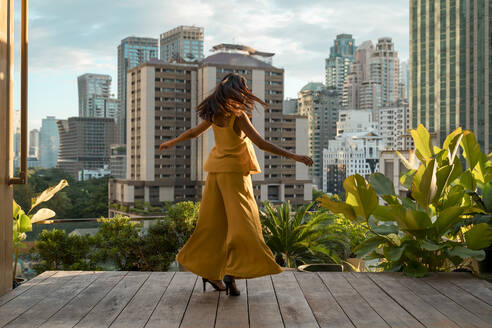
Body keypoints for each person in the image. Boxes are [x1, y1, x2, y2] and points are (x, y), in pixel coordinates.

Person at [159, 73, 313, 296]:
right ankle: (232, 272)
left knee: (213, 224)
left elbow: (193, 133)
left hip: (215, 173)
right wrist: (295, 157)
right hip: (233, 174)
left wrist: (171, 142)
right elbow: (261, 143)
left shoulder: (215, 114)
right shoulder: (237, 116)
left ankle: (211, 272)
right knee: (244, 224)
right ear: (239, 91)